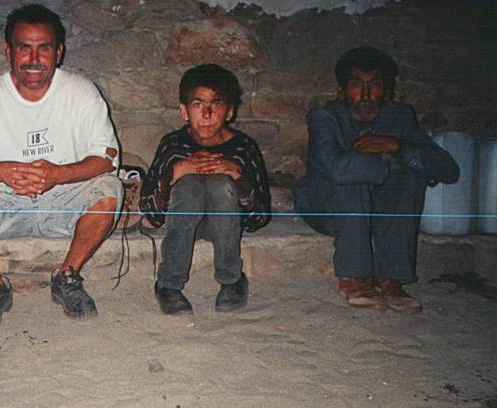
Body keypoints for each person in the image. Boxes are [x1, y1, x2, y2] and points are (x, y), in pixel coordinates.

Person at [0, 4, 122, 329]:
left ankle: (68, 275)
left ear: (59, 52)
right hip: (3, 205)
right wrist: (2, 171)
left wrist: (57, 175)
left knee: (109, 187)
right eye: (24, 48)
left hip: (63, 201)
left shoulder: (81, 92)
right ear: (8, 51)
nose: (34, 60)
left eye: (44, 49)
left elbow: (106, 160)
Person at [293, 46, 459, 313]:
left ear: (388, 91)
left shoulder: (399, 115)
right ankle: (353, 276)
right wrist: (388, 160)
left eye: (376, 85)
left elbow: (448, 171)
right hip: (325, 205)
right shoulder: (323, 117)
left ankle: (389, 278)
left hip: (374, 211)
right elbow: (337, 170)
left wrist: (398, 147)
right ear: (341, 91)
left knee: (409, 174)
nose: (366, 94)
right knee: (355, 175)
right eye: (357, 84)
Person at [140, 64, 270, 315]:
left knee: (220, 183)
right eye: (198, 105)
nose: (207, 114)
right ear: (184, 111)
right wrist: (174, 174)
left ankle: (231, 280)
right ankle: (168, 284)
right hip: (183, 220)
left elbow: (258, 218)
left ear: (230, 111)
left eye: (217, 105)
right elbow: (151, 215)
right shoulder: (173, 145)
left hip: (226, 222)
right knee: (188, 186)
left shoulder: (243, 148)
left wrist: (235, 174)